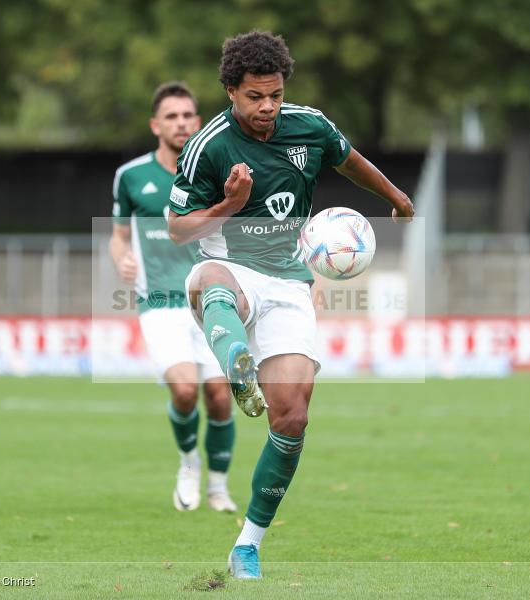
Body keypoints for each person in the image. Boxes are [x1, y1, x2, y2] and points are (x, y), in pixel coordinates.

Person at [167, 31, 414, 578]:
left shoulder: (310, 125)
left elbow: (348, 161)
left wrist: (395, 197)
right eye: (255, 97)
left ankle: (247, 545)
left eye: (275, 95)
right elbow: (178, 230)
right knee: (210, 280)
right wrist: (229, 203)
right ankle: (236, 361)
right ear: (231, 92)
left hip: (289, 281)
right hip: (228, 265)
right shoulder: (208, 145)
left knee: (293, 416)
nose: (267, 107)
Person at [110, 82, 237, 513]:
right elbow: (117, 237)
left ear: (197, 122)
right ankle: (189, 463)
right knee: (185, 391)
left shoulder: (219, 169)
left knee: (220, 396)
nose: (181, 123)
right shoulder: (131, 176)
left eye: (187, 115)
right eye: (172, 116)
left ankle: (218, 487)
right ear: (155, 124)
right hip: (160, 303)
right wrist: (122, 258)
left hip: (213, 298)